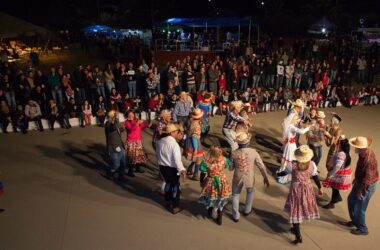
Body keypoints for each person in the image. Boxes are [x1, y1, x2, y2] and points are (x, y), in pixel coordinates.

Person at [276, 145, 322, 244]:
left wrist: (278, 174)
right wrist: (320, 187)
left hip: (296, 190)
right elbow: (315, 176)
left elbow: (284, 173)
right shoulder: (312, 164)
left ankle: (298, 236)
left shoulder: (292, 165)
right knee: (301, 208)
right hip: (307, 189)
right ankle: (295, 227)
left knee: (295, 210)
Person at [230, 131, 270, 222]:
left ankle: (235, 215)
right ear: (247, 142)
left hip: (238, 176)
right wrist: (265, 177)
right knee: (250, 192)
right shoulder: (253, 152)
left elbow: (231, 168)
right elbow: (261, 165)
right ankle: (247, 210)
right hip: (249, 177)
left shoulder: (234, 153)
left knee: (235, 195)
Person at [342, 136, 378, 235]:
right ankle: (355, 221)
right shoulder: (363, 153)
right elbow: (362, 172)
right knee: (351, 200)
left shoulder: (368, 159)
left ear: (361, 148)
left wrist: (361, 191)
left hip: (366, 186)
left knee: (359, 207)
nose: (354, 148)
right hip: (360, 181)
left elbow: (368, 179)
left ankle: (363, 229)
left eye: (356, 146)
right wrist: (356, 179)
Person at [156, 123, 186, 214]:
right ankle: (175, 206)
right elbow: (177, 160)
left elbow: (158, 154)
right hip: (172, 168)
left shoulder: (160, 141)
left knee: (168, 183)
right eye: (177, 131)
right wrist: (182, 169)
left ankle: (167, 200)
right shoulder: (174, 144)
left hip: (162, 167)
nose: (178, 133)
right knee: (175, 186)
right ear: (172, 132)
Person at [199, 146, 231, 225]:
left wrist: (202, 182)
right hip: (222, 182)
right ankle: (219, 217)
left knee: (211, 196)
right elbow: (227, 166)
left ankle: (210, 209)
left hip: (210, 182)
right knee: (220, 199)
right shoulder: (224, 160)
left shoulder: (207, 161)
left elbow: (203, 173)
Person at [278, 113, 312, 184]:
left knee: (291, 159)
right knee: (291, 160)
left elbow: (298, 123)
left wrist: (301, 121)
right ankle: (285, 175)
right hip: (290, 146)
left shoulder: (290, 126)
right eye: (296, 119)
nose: (297, 120)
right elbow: (301, 132)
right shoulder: (291, 127)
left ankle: (285, 173)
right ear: (292, 119)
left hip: (291, 144)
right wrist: (309, 127)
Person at [322, 135, 352, 209]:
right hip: (344, 172)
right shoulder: (347, 152)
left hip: (339, 174)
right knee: (335, 187)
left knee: (334, 186)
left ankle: (333, 202)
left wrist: (331, 174)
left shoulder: (341, 154)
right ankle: (337, 197)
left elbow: (337, 166)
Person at [124, 111, 152, 176]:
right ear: (127, 115)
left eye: (132, 114)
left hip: (138, 140)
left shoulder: (136, 120)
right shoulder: (127, 122)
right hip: (131, 141)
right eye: (129, 114)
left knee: (139, 155)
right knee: (132, 156)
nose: (131, 115)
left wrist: (148, 125)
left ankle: (138, 168)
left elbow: (142, 126)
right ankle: (130, 171)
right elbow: (131, 129)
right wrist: (137, 123)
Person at [104, 110, 126, 183]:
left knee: (123, 164)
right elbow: (113, 128)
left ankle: (121, 177)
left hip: (120, 146)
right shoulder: (108, 124)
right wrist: (116, 118)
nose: (116, 116)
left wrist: (122, 128)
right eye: (114, 115)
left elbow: (117, 129)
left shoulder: (114, 123)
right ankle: (110, 173)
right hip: (113, 148)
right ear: (110, 117)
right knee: (116, 164)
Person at [184, 108, 205, 181]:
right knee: (198, 159)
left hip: (189, 141)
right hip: (194, 143)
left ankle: (190, 168)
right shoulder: (196, 125)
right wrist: (195, 148)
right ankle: (195, 174)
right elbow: (194, 137)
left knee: (195, 158)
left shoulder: (191, 121)